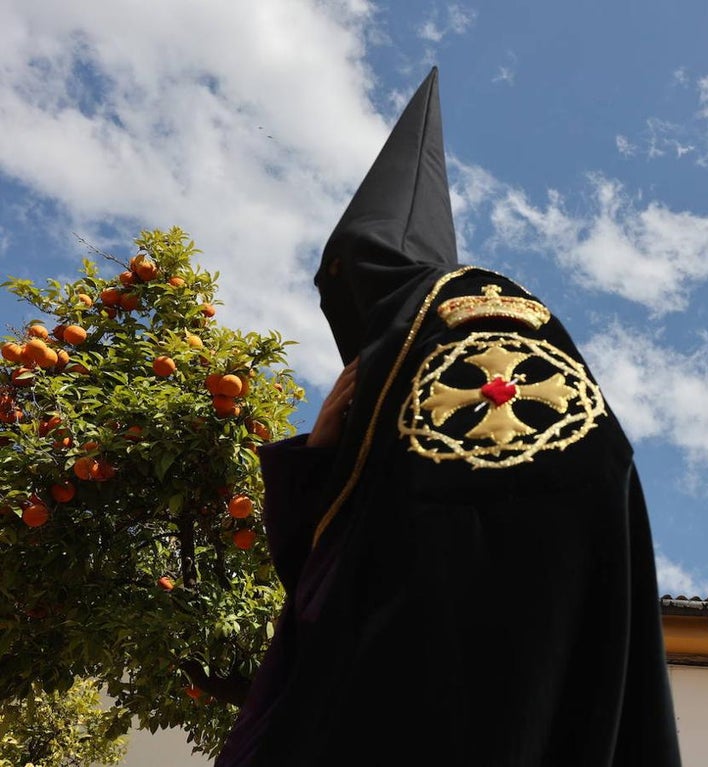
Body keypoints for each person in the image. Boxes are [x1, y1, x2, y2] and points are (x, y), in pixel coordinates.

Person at [214, 67, 682, 767]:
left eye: (353, 275)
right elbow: (328, 568)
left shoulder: (467, 308)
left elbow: (541, 487)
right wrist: (321, 453)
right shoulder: (401, 361)